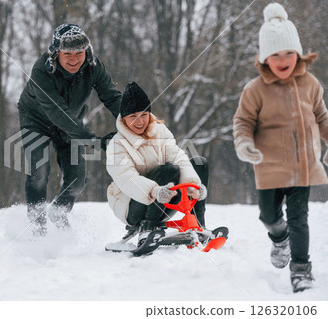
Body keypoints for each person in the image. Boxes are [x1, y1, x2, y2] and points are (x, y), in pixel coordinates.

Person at [233, 3, 328, 293]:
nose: (283, 59)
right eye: (276, 54)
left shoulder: (310, 84)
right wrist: (245, 143)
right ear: (264, 58)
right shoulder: (255, 90)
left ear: (298, 53)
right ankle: (279, 237)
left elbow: (322, 117)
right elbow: (243, 122)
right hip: (270, 167)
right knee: (268, 216)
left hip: (302, 166)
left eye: (288, 52)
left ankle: (301, 269)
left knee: (300, 218)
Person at [17, 23, 121, 236]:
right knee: (39, 172)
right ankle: (37, 227)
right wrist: (93, 140)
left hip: (70, 120)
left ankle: (59, 211)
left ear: (87, 51)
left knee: (77, 178)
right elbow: (58, 113)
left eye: (79, 53)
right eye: (67, 54)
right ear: (56, 53)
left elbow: (112, 96)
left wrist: (135, 120)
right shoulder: (41, 71)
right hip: (36, 120)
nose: (74, 59)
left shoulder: (93, 66)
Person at [106, 82, 208, 254]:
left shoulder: (160, 131)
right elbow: (127, 179)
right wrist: (155, 191)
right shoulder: (117, 145)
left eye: (144, 114)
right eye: (133, 117)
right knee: (169, 170)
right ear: (124, 119)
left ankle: (198, 223)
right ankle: (148, 226)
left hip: (166, 198)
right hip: (133, 207)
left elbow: (178, 157)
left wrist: (193, 185)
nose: (140, 121)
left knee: (199, 163)